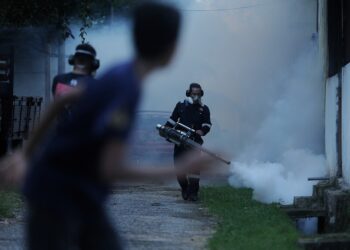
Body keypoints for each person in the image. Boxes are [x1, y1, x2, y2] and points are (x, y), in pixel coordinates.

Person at [0, 2, 215, 250]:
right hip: (56, 193)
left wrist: (23, 154)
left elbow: (63, 100)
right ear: (172, 48)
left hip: (79, 190)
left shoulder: (119, 71)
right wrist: (179, 168)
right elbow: (111, 168)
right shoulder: (127, 89)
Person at [165, 83, 212, 201]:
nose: (195, 96)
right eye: (193, 93)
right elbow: (172, 120)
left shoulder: (204, 109)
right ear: (188, 93)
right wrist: (167, 131)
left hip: (194, 142)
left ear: (201, 94)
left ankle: (193, 193)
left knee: (194, 170)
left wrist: (202, 131)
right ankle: (185, 188)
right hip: (180, 141)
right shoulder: (181, 106)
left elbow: (207, 124)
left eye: (198, 94)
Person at [52, 43, 100, 121]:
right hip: (63, 131)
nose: (82, 59)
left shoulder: (97, 85)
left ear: (93, 63)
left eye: (86, 58)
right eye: (79, 57)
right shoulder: (59, 79)